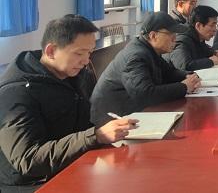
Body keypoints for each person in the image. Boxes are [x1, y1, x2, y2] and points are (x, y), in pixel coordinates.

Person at [0, 15, 137, 192]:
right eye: (79, 53)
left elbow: (85, 121)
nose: (86, 61)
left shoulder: (77, 75)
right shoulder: (16, 92)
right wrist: (95, 136)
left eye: (89, 52)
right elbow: (28, 159)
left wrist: (109, 126)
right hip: (31, 184)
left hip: (70, 165)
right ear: (51, 51)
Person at [90, 12, 201, 126]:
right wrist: (184, 87)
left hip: (134, 112)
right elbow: (145, 95)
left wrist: (188, 76)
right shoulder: (136, 56)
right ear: (153, 36)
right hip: (113, 120)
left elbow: (168, 73)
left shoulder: (150, 50)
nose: (175, 39)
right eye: (171, 34)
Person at [164, 5, 218, 71]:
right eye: (212, 25)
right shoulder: (183, 40)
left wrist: (214, 53)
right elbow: (184, 66)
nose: (215, 30)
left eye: (216, 25)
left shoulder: (198, 38)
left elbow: (204, 51)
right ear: (198, 26)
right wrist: (210, 62)